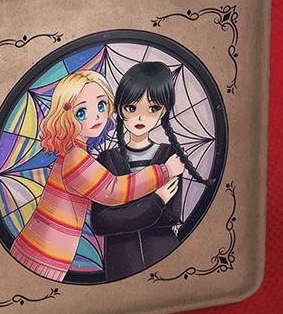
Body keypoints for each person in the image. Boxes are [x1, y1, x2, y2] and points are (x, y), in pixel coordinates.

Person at [9, 68, 184, 282]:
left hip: (45, 249)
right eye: (81, 112)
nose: (96, 116)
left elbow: (171, 215)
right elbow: (113, 191)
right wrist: (163, 172)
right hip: (44, 254)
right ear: (65, 116)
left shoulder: (76, 153)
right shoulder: (76, 158)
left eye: (101, 106)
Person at [90, 61, 213, 280]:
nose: (141, 117)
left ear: (163, 110)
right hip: (121, 262)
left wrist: (124, 208)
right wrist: (157, 199)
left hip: (163, 253)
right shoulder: (106, 160)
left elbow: (170, 216)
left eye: (153, 108)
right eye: (132, 108)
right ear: (119, 108)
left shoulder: (170, 156)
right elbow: (101, 222)